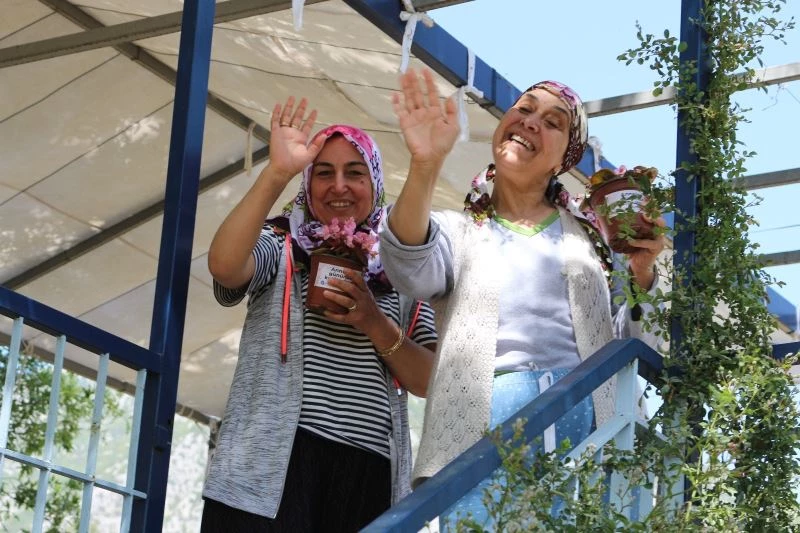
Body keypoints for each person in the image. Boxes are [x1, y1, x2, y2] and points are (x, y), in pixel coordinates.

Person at [379, 68, 665, 527]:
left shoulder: (592, 241)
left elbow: (637, 346)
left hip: (589, 430)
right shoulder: (459, 229)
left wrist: (641, 273)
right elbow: (408, 263)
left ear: (564, 162)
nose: (532, 121)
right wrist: (425, 164)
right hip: (479, 433)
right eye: (525, 109)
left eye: (553, 122)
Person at [201, 96, 437, 532]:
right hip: (269, 465)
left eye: (355, 173)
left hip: (369, 472)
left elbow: (426, 378)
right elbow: (224, 265)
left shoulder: (405, 268)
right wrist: (276, 173)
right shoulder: (283, 243)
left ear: (376, 182)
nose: (339, 186)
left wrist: (372, 319)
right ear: (308, 185)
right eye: (323, 173)